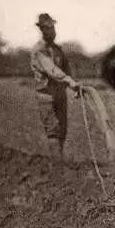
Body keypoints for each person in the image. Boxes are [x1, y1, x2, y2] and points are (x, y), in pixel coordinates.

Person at [30, 13, 81, 162]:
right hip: (46, 96)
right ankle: (58, 169)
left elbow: (66, 69)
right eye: (48, 28)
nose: (51, 31)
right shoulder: (39, 50)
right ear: (42, 30)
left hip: (60, 96)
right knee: (53, 131)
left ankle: (60, 163)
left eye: (53, 27)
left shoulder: (58, 50)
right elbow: (51, 69)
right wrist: (68, 80)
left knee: (63, 130)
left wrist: (74, 85)